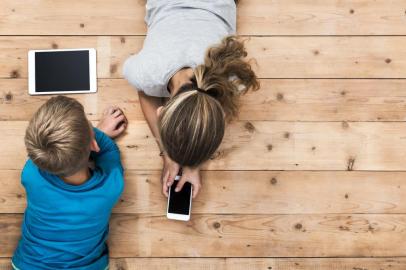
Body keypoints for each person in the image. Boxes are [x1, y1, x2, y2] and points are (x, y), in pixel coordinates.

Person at [123, 0, 259, 198]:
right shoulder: (146, 72)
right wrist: (171, 155)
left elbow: (145, 91)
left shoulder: (231, 78)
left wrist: (183, 159)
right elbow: (145, 90)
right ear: (161, 113)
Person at [12, 96, 127, 270]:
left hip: (30, 265)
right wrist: (96, 134)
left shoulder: (31, 174)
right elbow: (109, 150)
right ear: (94, 146)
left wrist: (88, 136)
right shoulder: (112, 185)